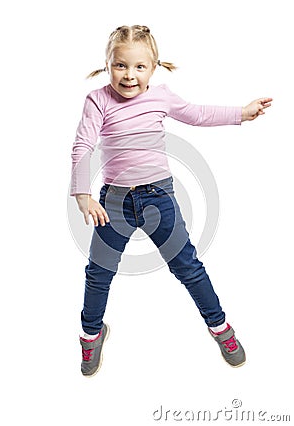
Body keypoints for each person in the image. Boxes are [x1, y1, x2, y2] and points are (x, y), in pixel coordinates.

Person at [70, 25, 272, 377]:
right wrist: (83, 193)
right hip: (113, 205)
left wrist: (242, 112)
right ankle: (91, 334)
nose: (129, 75)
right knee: (98, 273)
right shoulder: (97, 100)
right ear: (107, 65)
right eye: (120, 66)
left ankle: (220, 327)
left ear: (153, 67)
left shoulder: (161, 97)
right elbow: (83, 146)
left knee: (188, 267)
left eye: (138, 67)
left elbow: (197, 114)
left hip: (158, 199)